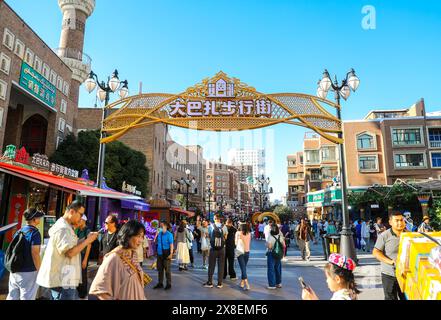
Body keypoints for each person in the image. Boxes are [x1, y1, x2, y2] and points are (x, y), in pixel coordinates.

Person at [37, 201, 98, 300]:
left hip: (66, 277)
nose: (81, 218)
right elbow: (70, 252)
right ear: (72, 212)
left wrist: (85, 239)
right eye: (81, 214)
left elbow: (71, 247)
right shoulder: (63, 228)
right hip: (63, 279)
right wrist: (88, 241)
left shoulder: (66, 226)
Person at [89, 220, 146, 300]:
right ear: (128, 235)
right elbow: (100, 290)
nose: (141, 240)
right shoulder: (114, 258)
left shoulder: (134, 254)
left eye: (142, 237)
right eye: (138, 236)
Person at [6, 208, 44, 300]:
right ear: (34, 219)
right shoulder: (35, 233)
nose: (40, 219)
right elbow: (35, 253)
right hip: (28, 271)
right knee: (27, 297)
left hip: (15, 270)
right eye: (38, 217)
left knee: (12, 297)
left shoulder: (19, 231)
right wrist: (40, 270)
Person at [373, 211, 406, 300]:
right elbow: (376, 252)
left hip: (406, 274)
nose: (400, 223)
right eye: (397, 220)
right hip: (389, 274)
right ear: (390, 222)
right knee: (390, 298)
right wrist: (391, 262)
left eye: (402, 220)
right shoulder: (384, 235)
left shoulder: (409, 235)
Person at [203, 214, 228, 288]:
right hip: (222, 248)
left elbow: (207, 235)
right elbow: (226, 237)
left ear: (214, 218)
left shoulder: (211, 226)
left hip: (213, 248)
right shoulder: (224, 226)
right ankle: (220, 283)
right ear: (220, 219)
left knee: (211, 265)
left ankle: (210, 282)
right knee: (221, 266)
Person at [75, 214, 92, 300]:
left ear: (84, 221)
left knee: (83, 275)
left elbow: (89, 245)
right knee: (77, 275)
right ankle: (79, 293)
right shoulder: (77, 229)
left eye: (80, 220)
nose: (78, 221)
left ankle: (83, 295)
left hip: (83, 255)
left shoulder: (87, 230)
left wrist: (85, 259)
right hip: (77, 254)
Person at [153, 222, 174, 290]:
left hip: (166, 254)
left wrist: (171, 254)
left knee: (167, 270)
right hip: (159, 254)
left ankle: (168, 284)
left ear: (165, 226)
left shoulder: (169, 234)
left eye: (161, 226)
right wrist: (156, 235)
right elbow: (156, 242)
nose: (160, 227)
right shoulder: (159, 234)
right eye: (160, 226)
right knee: (160, 270)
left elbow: (171, 245)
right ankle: (160, 283)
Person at [266, 224, 285, 290]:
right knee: (278, 269)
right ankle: (278, 283)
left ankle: (272, 285)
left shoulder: (270, 237)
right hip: (279, 254)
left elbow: (270, 247)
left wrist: (267, 244)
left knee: (271, 269)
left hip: (271, 254)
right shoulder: (280, 236)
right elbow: (284, 245)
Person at [236, 222, 251, 291]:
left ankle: (247, 283)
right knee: (244, 267)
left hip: (240, 252)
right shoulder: (249, 234)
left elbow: (235, 243)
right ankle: (242, 282)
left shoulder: (238, 233)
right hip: (247, 252)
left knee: (243, 268)